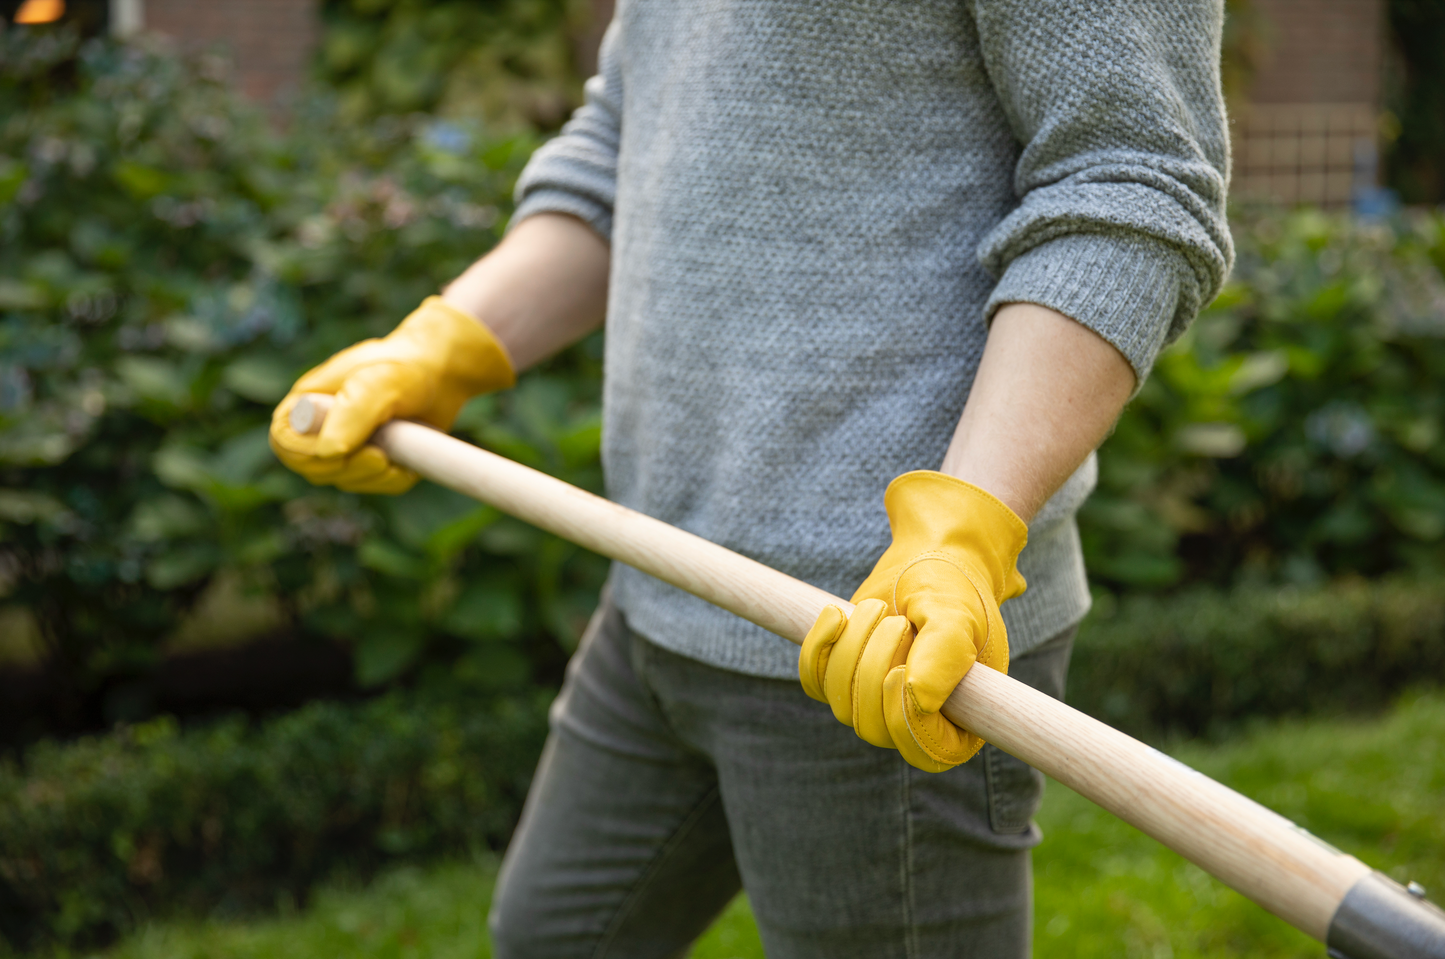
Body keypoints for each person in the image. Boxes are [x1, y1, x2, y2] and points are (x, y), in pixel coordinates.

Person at [270, 1, 1231, 955]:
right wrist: (443, 345)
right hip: (659, 586)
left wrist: (965, 530)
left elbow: (1131, 187)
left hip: (884, 646)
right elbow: (623, 141)